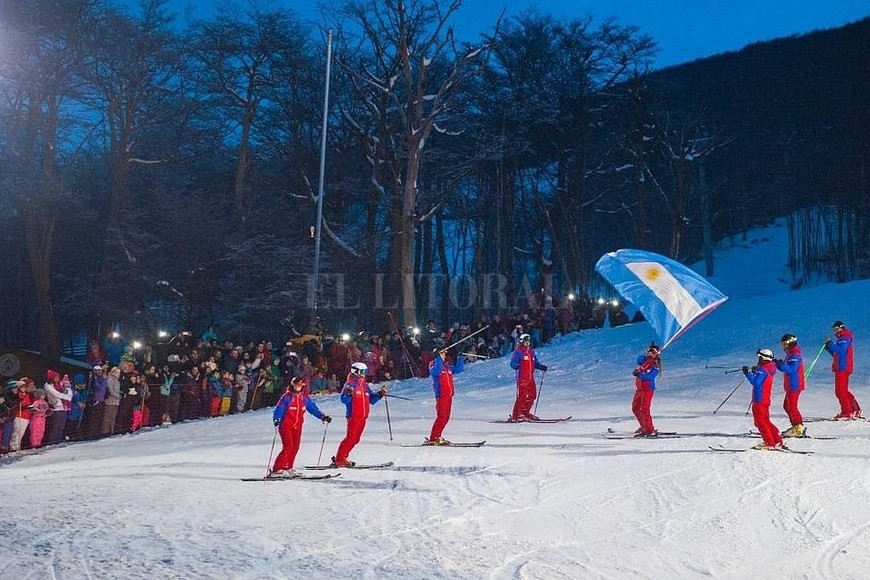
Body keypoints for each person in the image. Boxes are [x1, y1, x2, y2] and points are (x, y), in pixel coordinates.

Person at [268, 376, 332, 478]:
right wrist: (277, 419)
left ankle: (288, 467)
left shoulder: (304, 397)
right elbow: (279, 409)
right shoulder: (287, 397)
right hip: (286, 426)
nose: (298, 388)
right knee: (288, 447)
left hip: (297, 426)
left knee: (295, 447)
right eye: (297, 386)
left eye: (300, 386)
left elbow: (312, 408)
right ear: (293, 385)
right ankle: (277, 469)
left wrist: (322, 416)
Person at [332, 362, 387, 467]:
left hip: (363, 416)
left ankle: (343, 458)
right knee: (350, 438)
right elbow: (343, 400)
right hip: (353, 416)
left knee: (356, 439)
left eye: (365, 371)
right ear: (355, 372)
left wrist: (380, 394)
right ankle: (340, 459)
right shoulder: (350, 384)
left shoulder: (364, 385)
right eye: (362, 372)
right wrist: (348, 394)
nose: (364, 374)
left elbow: (371, 400)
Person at [742, 348, 785, 450]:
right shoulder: (769, 367)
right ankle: (777, 440)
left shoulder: (763, 370)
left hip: (759, 399)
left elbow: (756, 382)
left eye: (759, 357)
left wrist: (748, 373)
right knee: (765, 420)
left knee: (760, 422)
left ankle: (769, 442)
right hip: (765, 398)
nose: (758, 359)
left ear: (762, 358)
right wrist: (755, 370)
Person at [427, 348, 465, 445]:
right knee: (441, 417)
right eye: (442, 354)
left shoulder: (447, 367)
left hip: (449, 395)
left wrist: (460, 357)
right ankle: (433, 437)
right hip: (441, 395)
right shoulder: (433, 365)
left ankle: (438, 436)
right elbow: (437, 371)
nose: (444, 356)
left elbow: (458, 370)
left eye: (444, 354)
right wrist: (437, 358)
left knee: (446, 418)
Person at [825, 320, 860, 420]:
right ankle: (854, 409)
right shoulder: (841, 339)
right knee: (843, 390)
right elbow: (837, 354)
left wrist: (830, 343)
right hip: (841, 366)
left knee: (840, 391)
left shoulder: (844, 337)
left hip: (842, 368)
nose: (835, 331)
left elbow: (841, 351)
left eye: (836, 329)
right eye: (834, 329)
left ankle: (847, 411)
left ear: (841, 328)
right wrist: (829, 348)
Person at [508, 333, 548, 421]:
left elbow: (535, 363)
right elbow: (512, 364)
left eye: (528, 341)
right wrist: (516, 366)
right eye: (526, 341)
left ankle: (525, 412)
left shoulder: (530, 352)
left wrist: (541, 367)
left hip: (530, 377)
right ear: (522, 342)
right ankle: (517, 414)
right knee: (522, 395)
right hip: (523, 377)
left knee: (532, 395)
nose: (527, 343)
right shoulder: (518, 352)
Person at [775, 334, 806, 437]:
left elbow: (792, 369)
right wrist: (777, 363)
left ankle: (798, 427)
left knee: (791, 406)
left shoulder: (795, 354)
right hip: (791, 384)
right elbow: (786, 367)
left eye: (784, 344)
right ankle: (796, 426)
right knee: (787, 406)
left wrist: (781, 365)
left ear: (789, 343)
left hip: (794, 384)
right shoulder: (790, 353)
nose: (783, 346)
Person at [631, 344, 662, 437]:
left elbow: (650, 376)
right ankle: (644, 426)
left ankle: (649, 430)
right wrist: (647, 358)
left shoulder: (655, 365)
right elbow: (639, 359)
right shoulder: (645, 361)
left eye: (651, 351)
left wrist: (639, 375)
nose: (649, 353)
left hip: (647, 389)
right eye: (648, 351)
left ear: (656, 353)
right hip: (639, 389)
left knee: (644, 409)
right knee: (635, 408)